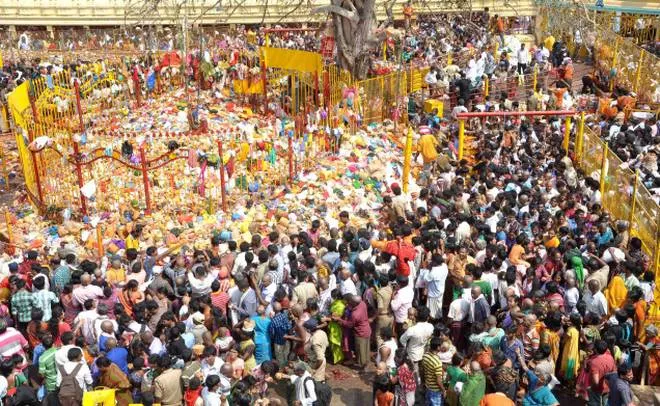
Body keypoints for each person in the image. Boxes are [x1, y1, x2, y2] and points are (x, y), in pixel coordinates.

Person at [332, 294, 371, 371]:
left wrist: (339, 320)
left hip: (361, 333)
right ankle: (365, 364)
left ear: (354, 303)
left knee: (361, 351)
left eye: (350, 302)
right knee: (366, 349)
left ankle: (363, 367)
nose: (348, 303)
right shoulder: (362, 303)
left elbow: (349, 325)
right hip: (366, 329)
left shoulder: (355, 314)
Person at [421, 337, 446, 406]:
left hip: (428, 386)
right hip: (435, 390)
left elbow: (422, 370)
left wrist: (423, 382)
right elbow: (438, 380)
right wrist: (443, 390)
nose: (442, 347)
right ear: (438, 347)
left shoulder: (425, 355)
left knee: (428, 403)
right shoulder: (437, 362)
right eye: (441, 345)